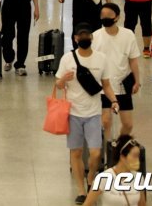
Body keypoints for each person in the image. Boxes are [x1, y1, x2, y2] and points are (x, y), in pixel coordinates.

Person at [55, 22, 120, 205]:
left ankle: (91, 177)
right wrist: (63, 80)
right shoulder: (67, 59)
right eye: (81, 36)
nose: (84, 39)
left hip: (93, 113)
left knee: (95, 153)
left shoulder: (101, 59)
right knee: (75, 152)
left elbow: (106, 85)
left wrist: (114, 101)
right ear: (75, 39)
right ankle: (81, 190)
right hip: (73, 113)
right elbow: (58, 84)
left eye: (87, 36)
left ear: (91, 38)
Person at [92, 3, 141, 141]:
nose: (105, 18)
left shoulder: (128, 35)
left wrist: (137, 81)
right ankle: (108, 150)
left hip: (122, 85)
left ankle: (118, 144)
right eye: (102, 16)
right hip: (104, 87)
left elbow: (133, 60)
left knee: (128, 124)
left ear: (117, 17)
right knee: (106, 121)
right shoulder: (95, 37)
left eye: (108, 16)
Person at [82, 135, 147, 206]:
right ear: (122, 157)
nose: (137, 160)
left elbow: (142, 204)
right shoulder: (103, 178)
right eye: (134, 156)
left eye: (138, 156)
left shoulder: (138, 178)